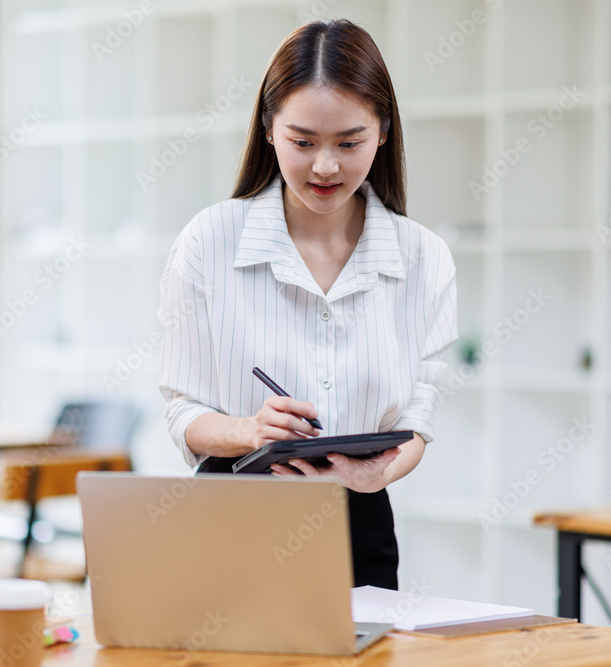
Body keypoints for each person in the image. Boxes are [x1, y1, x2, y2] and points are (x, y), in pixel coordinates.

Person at [157, 19, 457, 590]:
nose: (325, 166)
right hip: (231, 516)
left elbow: (417, 418)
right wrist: (251, 430)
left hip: (359, 521)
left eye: (349, 142)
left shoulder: (425, 258)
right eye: (303, 141)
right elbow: (181, 411)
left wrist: (378, 472)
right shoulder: (209, 241)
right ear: (269, 129)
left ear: (384, 132)